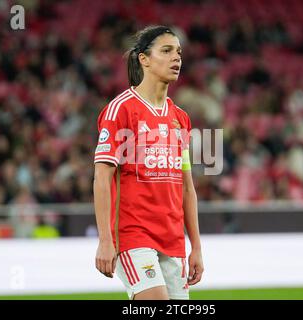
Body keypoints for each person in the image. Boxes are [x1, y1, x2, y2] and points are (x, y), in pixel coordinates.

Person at [93, 25, 203, 300]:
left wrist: (196, 247)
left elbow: (187, 188)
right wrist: (106, 240)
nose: (176, 57)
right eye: (166, 51)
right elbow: (102, 178)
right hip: (133, 236)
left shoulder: (181, 118)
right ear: (144, 59)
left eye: (178, 52)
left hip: (173, 240)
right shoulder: (121, 110)